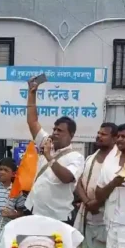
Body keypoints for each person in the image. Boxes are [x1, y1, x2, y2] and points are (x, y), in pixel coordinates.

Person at [24, 78, 84, 224]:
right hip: (34, 211)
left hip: (58, 218)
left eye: (60, 131)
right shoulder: (47, 143)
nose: (55, 133)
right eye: (54, 129)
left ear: (71, 135)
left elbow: (67, 178)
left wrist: (49, 157)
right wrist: (32, 93)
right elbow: (32, 121)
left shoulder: (76, 157)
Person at [73, 122, 118, 248]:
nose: (99, 137)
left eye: (104, 134)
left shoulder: (117, 161)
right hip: (88, 213)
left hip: (107, 215)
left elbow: (117, 188)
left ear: (114, 138)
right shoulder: (90, 158)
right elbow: (79, 183)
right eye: (98, 133)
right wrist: (87, 201)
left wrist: (97, 202)